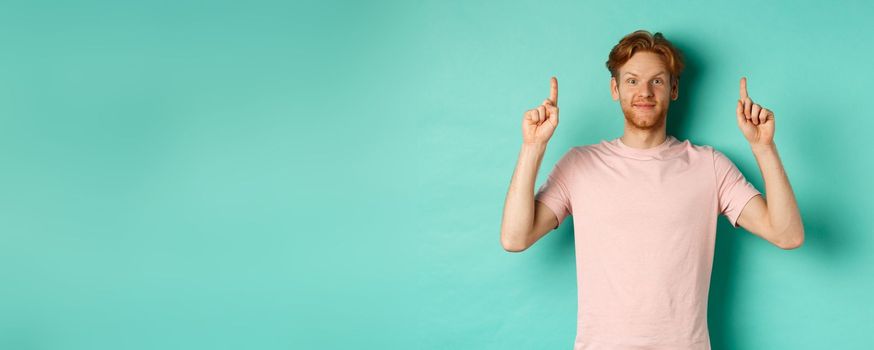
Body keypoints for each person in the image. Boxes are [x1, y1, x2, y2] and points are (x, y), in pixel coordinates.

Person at [499, 30, 805, 350]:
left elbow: (787, 235)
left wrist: (764, 148)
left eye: (656, 81)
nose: (644, 91)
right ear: (615, 88)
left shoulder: (709, 167)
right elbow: (515, 237)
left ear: (673, 89)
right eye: (631, 81)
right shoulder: (579, 165)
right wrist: (533, 147)